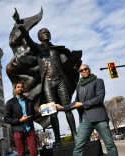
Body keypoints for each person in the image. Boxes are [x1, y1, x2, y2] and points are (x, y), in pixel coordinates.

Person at [15, 14, 80, 145]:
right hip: (47, 82)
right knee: (52, 111)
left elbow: (68, 65)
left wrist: (75, 64)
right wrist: (21, 27)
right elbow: (28, 39)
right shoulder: (38, 50)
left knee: (67, 108)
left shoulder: (58, 50)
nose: (45, 34)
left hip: (60, 80)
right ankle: (57, 139)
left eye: (47, 32)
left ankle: (75, 134)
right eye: (43, 32)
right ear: (39, 36)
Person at [56, 64, 118, 156]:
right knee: (78, 145)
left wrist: (83, 104)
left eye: (85, 69)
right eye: (81, 70)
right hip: (85, 119)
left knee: (109, 144)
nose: (83, 71)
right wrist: (62, 107)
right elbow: (76, 102)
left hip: (99, 118)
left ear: (89, 70)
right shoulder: (79, 86)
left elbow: (99, 98)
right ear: (80, 73)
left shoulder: (98, 81)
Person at [4, 82, 40, 156]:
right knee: (21, 153)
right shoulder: (10, 103)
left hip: (30, 130)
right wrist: (20, 120)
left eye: (21, 87)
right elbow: (6, 118)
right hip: (18, 130)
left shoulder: (29, 102)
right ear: (15, 89)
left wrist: (39, 112)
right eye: (18, 87)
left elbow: (33, 116)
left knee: (34, 153)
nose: (20, 88)